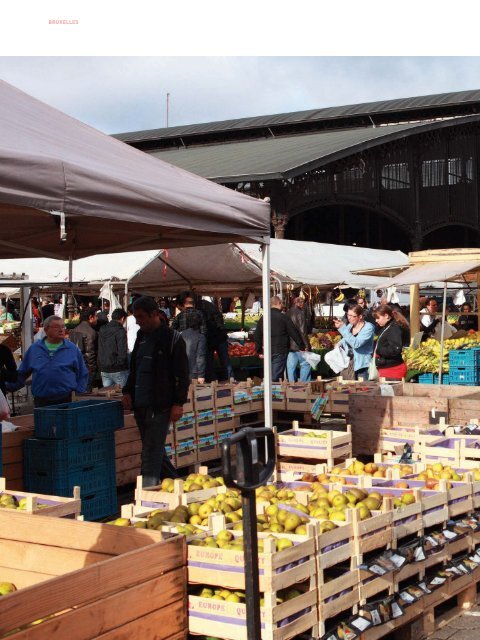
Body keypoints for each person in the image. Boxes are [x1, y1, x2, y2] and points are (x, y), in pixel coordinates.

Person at [122, 296, 189, 486]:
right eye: (135, 317)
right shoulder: (141, 337)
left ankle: (146, 497)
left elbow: (182, 375)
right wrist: (127, 391)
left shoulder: (173, 339)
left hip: (160, 405)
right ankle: (179, 487)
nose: (138, 322)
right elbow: (134, 368)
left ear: (154, 314)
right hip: (140, 404)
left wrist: (178, 403)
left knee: (150, 453)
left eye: (141, 317)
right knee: (155, 450)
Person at [6, 315, 88, 407]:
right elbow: (22, 374)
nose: (61, 330)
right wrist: (6, 386)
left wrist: (79, 392)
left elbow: (83, 373)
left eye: (63, 326)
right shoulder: (35, 349)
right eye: (57, 327)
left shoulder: (72, 349)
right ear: (46, 330)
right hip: (42, 401)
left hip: (67, 400)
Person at [254, 296, 307, 381]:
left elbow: (257, 334)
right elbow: (293, 332)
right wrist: (301, 346)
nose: (282, 305)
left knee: (269, 372)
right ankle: (272, 391)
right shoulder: (283, 317)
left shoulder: (264, 318)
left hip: (267, 350)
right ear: (278, 304)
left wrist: (259, 350)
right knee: (276, 375)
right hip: (280, 350)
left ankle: (271, 389)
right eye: (281, 303)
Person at [333, 304, 375, 380]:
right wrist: (339, 344)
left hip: (362, 366)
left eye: (353, 316)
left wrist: (343, 328)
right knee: (348, 389)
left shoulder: (368, 327)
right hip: (349, 364)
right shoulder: (350, 326)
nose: (349, 318)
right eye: (348, 315)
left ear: (360, 317)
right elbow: (346, 338)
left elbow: (356, 344)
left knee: (362, 389)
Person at [372, 304, 409, 380]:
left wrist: (379, 350)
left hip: (392, 370)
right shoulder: (388, 326)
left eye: (378, 318)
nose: (376, 320)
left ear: (386, 316)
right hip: (388, 368)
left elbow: (396, 348)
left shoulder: (394, 328)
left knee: (389, 392)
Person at [98, 308, 129, 388]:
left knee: (107, 396)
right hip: (118, 369)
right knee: (122, 395)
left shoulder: (102, 329)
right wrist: (121, 364)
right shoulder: (120, 331)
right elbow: (122, 350)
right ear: (122, 318)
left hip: (104, 368)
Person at [69, 308, 98, 391]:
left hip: (75, 365)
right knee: (86, 390)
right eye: (96, 316)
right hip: (86, 367)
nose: (97, 318)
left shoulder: (73, 330)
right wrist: (91, 367)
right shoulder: (91, 332)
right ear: (90, 317)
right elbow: (90, 352)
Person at [286, 297, 312, 382]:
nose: (304, 305)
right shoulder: (300, 313)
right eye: (303, 303)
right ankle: (304, 385)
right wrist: (306, 345)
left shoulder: (287, 312)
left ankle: (291, 385)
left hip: (289, 344)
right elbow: (302, 331)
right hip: (299, 344)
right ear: (300, 303)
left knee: (291, 367)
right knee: (305, 363)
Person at [180, 310, 207, 383]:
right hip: (193, 372)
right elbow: (200, 356)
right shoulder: (200, 337)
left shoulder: (181, 335)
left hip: (182, 369)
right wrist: (201, 375)